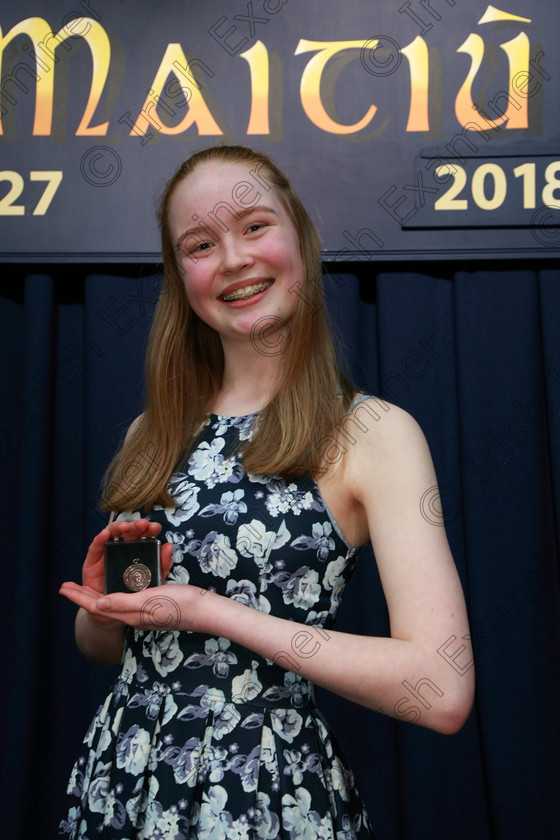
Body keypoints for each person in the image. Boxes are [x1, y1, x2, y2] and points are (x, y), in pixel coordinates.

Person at [59, 145, 474, 839]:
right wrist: (103, 614)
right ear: (180, 278)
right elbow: (109, 646)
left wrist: (211, 612)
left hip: (264, 794)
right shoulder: (151, 433)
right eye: (200, 243)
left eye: (254, 226)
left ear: (300, 241)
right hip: (120, 788)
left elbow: (442, 688)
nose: (232, 259)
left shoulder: (372, 432)